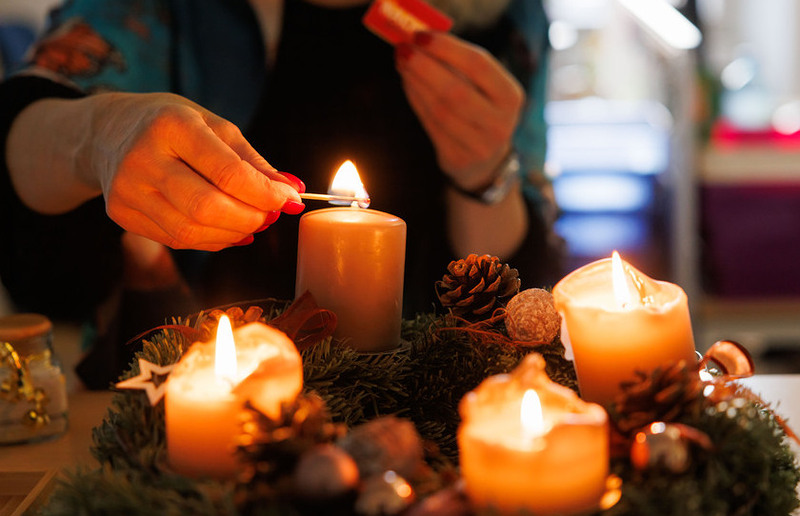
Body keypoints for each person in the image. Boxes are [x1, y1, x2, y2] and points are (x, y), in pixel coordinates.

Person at [0, 0, 560, 386]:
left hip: (435, 429)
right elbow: (26, 194)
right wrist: (95, 136)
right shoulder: (164, 12)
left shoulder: (500, 16)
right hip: (184, 410)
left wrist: (484, 172)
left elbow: (523, 291)